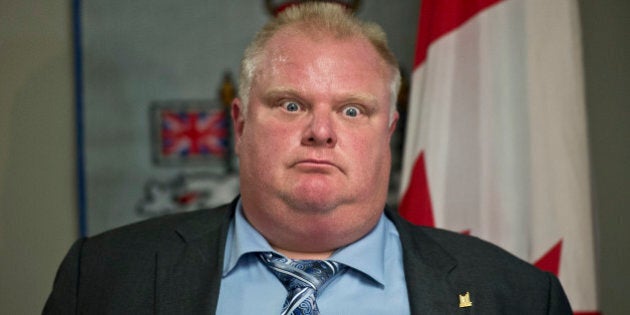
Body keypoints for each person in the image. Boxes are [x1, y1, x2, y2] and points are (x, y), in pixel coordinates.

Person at [43, 3, 572, 314]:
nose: (320, 131)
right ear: (240, 122)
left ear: (388, 130)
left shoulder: (520, 297)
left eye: (352, 110)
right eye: (291, 104)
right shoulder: (104, 279)